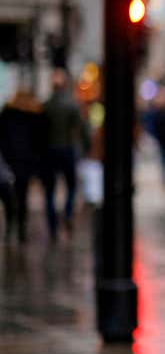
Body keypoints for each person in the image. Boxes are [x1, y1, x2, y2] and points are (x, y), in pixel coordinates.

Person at [0, 86, 48, 243]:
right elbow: (40, 141)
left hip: (10, 159)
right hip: (26, 161)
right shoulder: (35, 115)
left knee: (9, 196)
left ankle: (10, 227)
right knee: (22, 196)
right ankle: (21, 229)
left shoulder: (7, 113)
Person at [42, 69, 86, 237]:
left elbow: (39, 131)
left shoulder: (46, 106)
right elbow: (81, 128)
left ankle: (52, 224)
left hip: (49, 151)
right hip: (67, 149)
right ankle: (67, 214)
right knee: (71, 186)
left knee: (50, 190)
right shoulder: (72, 105)